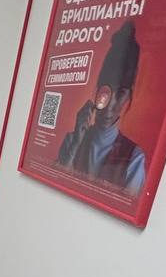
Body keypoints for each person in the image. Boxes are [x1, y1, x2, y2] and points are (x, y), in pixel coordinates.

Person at [56, 20, 146, 195]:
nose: (110, 104)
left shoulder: (134, 158)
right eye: (106, 89)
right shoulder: (72, 141)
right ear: (97, 89)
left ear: (129, 96)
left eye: (121, 93)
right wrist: (74, 147)